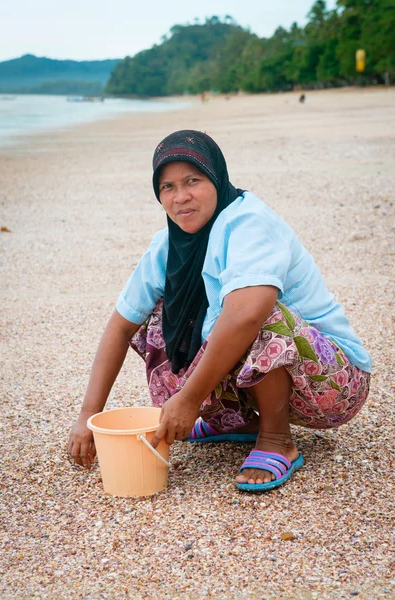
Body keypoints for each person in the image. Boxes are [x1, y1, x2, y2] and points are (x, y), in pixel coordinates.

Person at [68, 130, 371, 492]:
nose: (180, 197)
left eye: (192, 181)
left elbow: (246, 316)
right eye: (167, 187)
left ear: (215, 176)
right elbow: (119, 327)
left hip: (331, 383)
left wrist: (189, 398)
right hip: (279, 371)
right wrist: (89, 416)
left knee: (255, 309)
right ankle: (233, 421)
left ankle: (277, 440)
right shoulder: (167, 244)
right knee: (160, 317)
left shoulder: (249, 222)